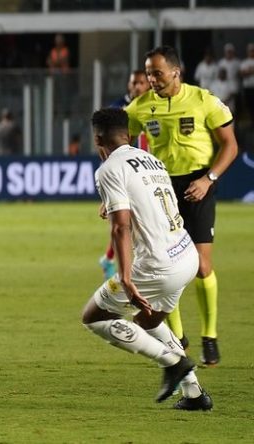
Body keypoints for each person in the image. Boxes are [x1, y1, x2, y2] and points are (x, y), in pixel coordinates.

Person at [82, 107, 212, 411]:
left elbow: (121, 226)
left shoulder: (109, 169)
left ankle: (172, 362)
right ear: (128, 135)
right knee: (147, 320)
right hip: (185, 255)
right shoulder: (152, 160)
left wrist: (125, 276)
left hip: (156, 266)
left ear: (98, 138)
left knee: (94, 317)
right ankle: (194, 393)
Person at [125, 46, 239, 365]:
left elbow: (230, 145)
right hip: (160, 188)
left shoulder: (204, 101)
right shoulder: (140, 108)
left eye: (157, 73)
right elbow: (121, 145)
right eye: (148, 73)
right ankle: (178, 339)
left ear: (176, 72)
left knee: (202, 267)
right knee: (165, 267)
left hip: (198, 185)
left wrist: (209, 179)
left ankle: (210, 336)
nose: (151, 79)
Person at [100, 69, 151, 280]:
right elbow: (103, 143)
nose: (138, 86)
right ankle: (120, 264)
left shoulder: (153, 107)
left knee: (133, 221)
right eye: (134, 83)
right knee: (126, 220)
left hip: (145, 170)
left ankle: (110, 258)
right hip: (123, 172)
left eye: (141, 82)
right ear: (129, 85)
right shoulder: (116, 109)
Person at [239, 43, 254, 125]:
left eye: (253, 51)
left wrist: (249, 71)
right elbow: (242, 74)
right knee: (249, 106)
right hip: (248, 87)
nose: (252, 52)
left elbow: (246, 72)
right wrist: (251, 71)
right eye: (250, 51)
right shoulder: (244, 62)